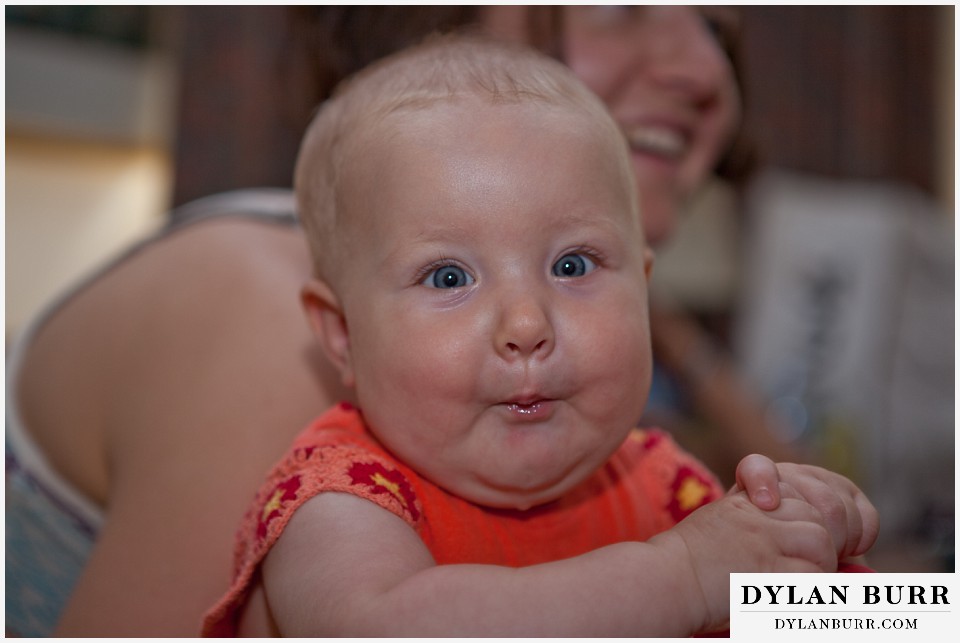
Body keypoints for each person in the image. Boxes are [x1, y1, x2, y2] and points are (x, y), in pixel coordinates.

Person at [5, 6, 799, 637]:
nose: (705, 72)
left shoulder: (610, 439)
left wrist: (840, 568)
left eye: (719, 30)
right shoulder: (271, 335)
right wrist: (684, 577)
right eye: (620, 7)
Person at [201, 35, 877, 637]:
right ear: (343, 335)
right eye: (447, 277)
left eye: (572, 265)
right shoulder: (342, 495)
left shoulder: (665, 484)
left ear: (642, 290)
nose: (526, 325)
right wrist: (684, 575)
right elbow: (383, 627)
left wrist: (820, 557)